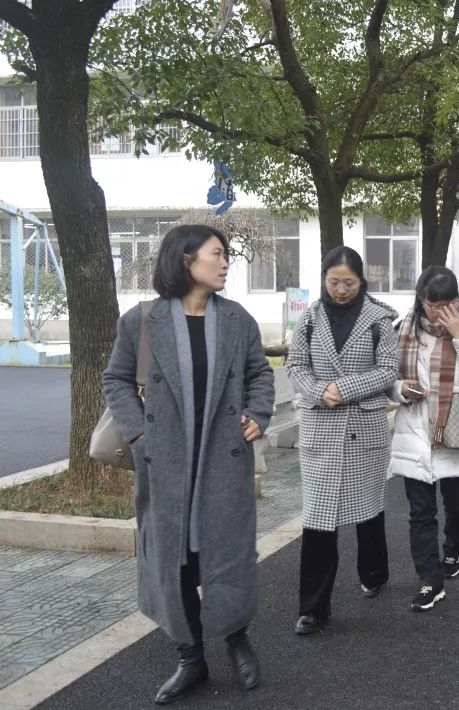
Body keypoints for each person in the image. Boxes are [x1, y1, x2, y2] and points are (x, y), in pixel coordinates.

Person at [103, 224, 274, 704]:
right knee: (173, 562)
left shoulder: (237, 319)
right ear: (186, 260)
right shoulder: (143, 321)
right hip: (167, 465)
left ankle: (237, 638)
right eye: (217, 254)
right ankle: (190, 659)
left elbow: (261, 374)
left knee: (225, 557)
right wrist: (139, 433)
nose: (225, 264)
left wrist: (259, 413)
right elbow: (116, 378)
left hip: (223, 462)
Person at [286, 246, 399, 635]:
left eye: (348, 282)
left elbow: (388, 368)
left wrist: (343, 388)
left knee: (367, 510)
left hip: (363, 428)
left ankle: (373, 572)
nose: (340, 289)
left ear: (361, 280)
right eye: (333, 281)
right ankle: (313, 608)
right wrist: (319, 392)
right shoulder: (311, 318)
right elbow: (295, 364)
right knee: (318, 519)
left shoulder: (378, 318)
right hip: (321, 428)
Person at [388, 266, 459, 612]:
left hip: (456, 431)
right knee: (421, 512)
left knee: (457, 506)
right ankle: (430, 579)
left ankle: (453, 549)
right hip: (415, 433)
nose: (440, 311)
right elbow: (389, 378)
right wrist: (400, 389)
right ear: (421, 300)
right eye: (433, 304)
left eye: (448, 303)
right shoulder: (401, 329)